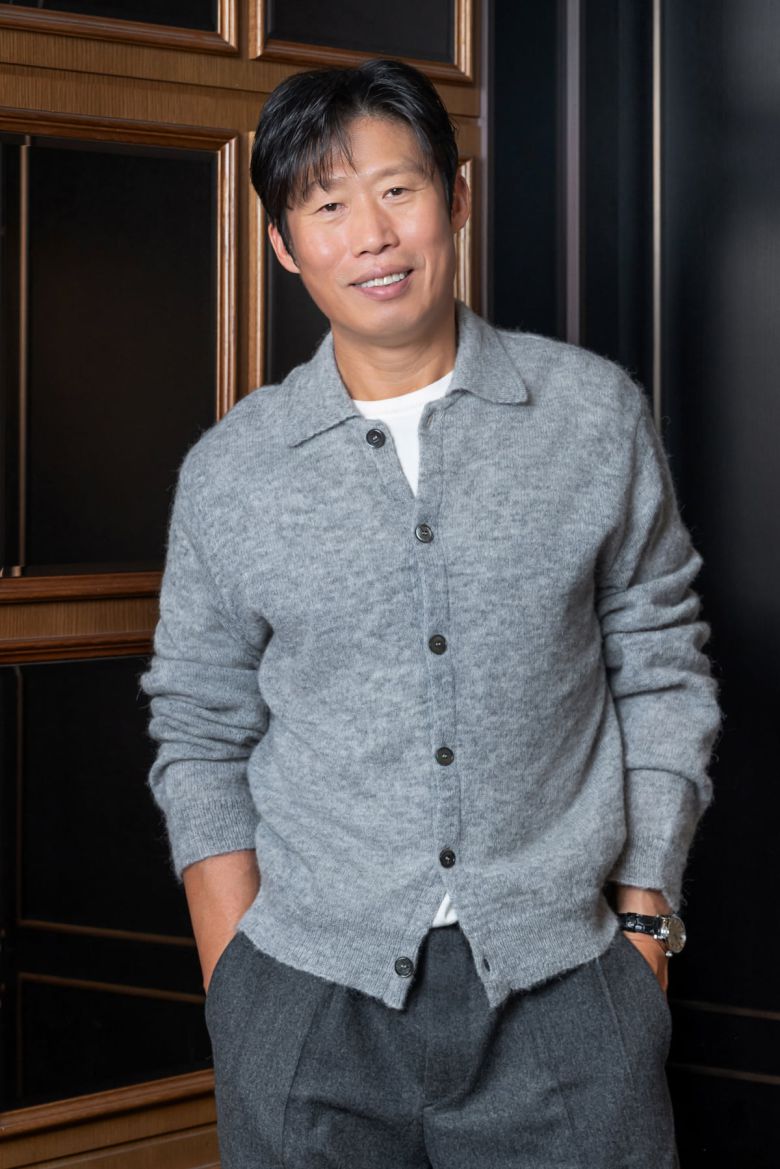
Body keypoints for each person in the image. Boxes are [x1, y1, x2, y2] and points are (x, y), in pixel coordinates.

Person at [141, 58, 721, 1169]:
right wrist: (237, 984)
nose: (372, 234)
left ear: (455, 197)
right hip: (307, 1000)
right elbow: (201, 727)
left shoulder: (590, 413)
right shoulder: (234, 470)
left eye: (397, 189)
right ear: (283, 244)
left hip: (566, 988)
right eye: (327, 205)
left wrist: (645, 920)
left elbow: (660, 666)